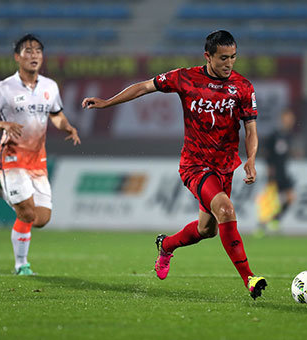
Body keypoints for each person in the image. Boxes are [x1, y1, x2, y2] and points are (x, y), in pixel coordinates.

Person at [82, 30, 267, 299]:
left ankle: (166, 245)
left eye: (233, 57)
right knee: (225, 208)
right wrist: (108, 102)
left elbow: (251, 129)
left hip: (225, 166)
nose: (229, 63)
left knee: (207, 230)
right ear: (208, 56)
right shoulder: (185, 77)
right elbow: (145, 86)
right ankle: (250, 278)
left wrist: (250, 159)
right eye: (223, 58)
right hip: (195, 164)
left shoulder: (243, 86)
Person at [0, 34, 80, 275]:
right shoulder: (3, 88)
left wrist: (67, 126)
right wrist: (3, 125)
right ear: (17, 57)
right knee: (27, 212)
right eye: (28, 51)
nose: (34, 55)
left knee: (41, 219)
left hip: (37, 159)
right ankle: (22, 265)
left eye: (38, 52)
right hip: (11, 157)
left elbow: (56, 114)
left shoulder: (49, 86)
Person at [256, 108, 296, 235]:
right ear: (282, 119)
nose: (290, 122)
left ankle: (275, 220)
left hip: (283, 172)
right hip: (274, 172)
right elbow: (267, 153)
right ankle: (261, 225)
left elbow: (284, 153)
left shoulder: (288, 136)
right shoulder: (274, 135)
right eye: (288, 119)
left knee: (290, 198)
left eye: (291, 120)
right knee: (269, 200)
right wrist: (269, 168)